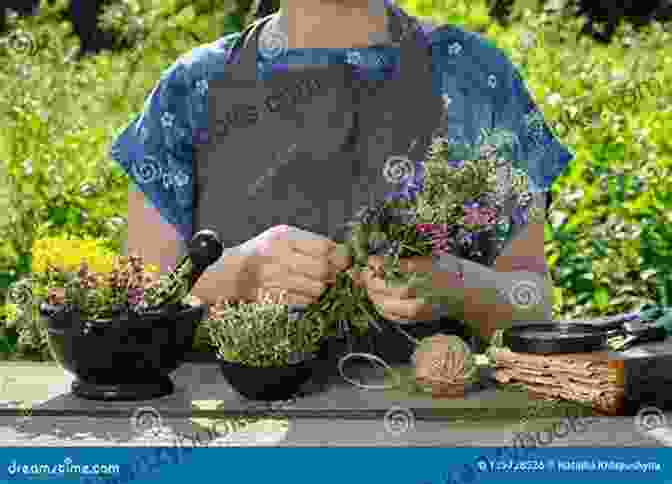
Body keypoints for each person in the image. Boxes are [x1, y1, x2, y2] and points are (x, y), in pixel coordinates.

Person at [110, 0, 573, 359]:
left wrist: (456, 285)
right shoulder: (191, 88)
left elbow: (533, 305)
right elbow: (135, 306)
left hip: (431, 437)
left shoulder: (474, 78)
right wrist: (234, 277)